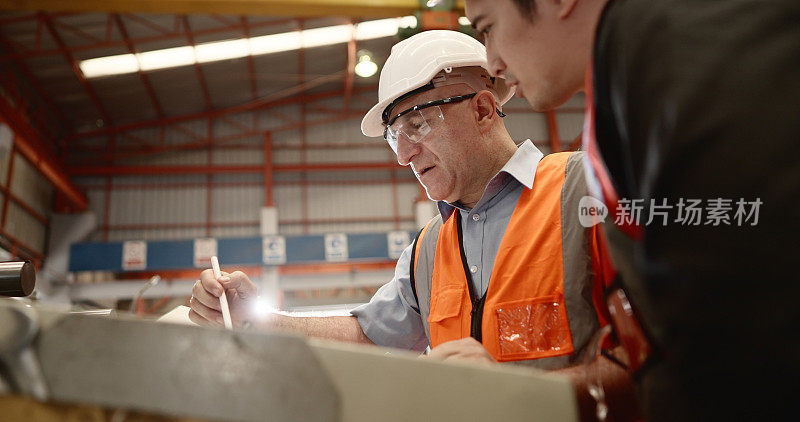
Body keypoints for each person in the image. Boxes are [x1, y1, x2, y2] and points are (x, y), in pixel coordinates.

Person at [190, 30, 634, 416]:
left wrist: (517, 394)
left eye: (417, 125)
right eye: (393, 136)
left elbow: (661, 364)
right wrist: (257, 318)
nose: (403, 155)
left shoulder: (588, 191)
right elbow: (371, 335)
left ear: (482, 110)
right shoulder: (430, 249)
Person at [464, 0, 800, 420]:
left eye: (488, 27)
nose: (492, 61)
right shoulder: (639, 70)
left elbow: (755, 331)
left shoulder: (692, 63)